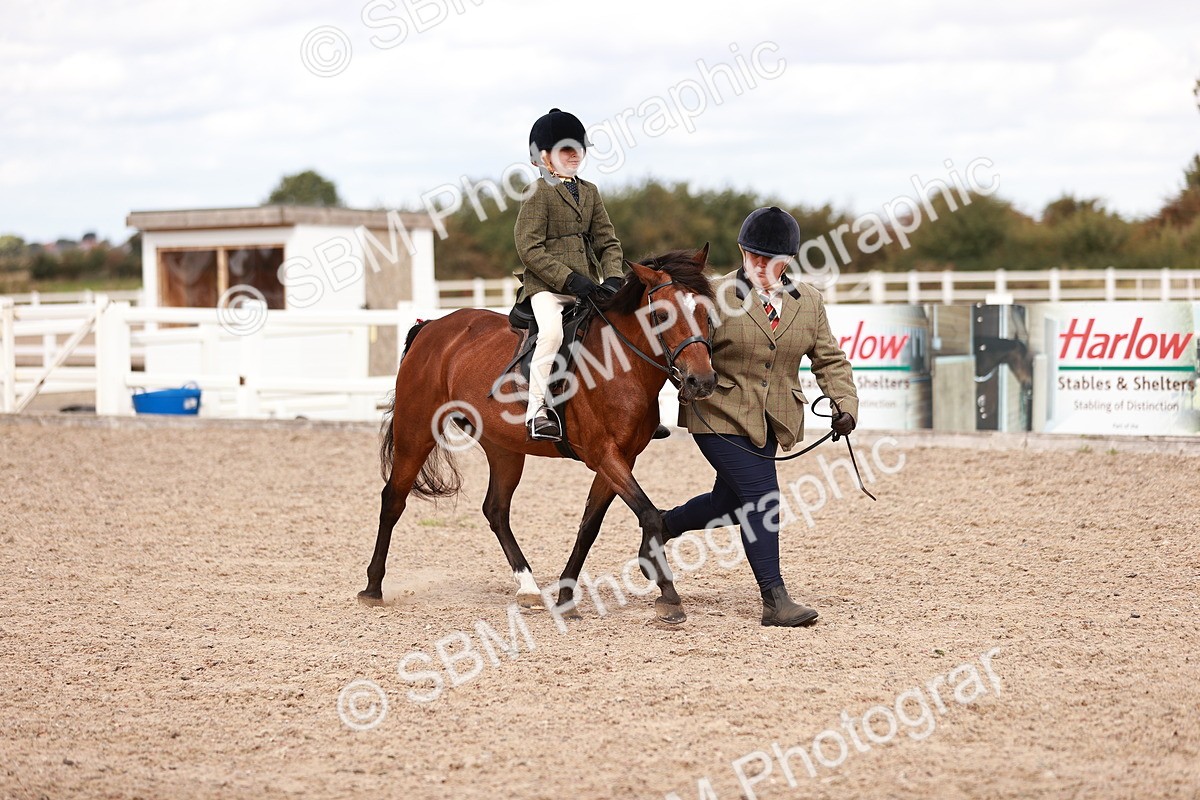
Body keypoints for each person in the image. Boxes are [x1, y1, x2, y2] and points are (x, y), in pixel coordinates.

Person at [661, 206, 859, 627]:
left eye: (772, 261)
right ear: (741, 251)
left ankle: (663, 525)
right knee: (763, 499)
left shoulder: (809, 302)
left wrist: (845, 406)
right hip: (717, 412)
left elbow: (830, 360)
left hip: (772, 421)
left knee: (728, 503)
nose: (762, 268)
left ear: (789, 261)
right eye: (754, 258)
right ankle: (775, 600)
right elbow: (682, 349)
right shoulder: (712, 295)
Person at [514, 108, 624, 441]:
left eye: (578, 148)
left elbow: (608, 240)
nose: (574, 155)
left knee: (621, 330)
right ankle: (536, 411)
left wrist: (615, 276)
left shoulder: (589, 191)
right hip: (547, 287)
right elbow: (528, 248)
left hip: (588, 284)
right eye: (566, 149)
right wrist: (568, 279)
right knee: (552, 335)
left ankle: (628, 408)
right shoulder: (537, 193)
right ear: (544, 158)